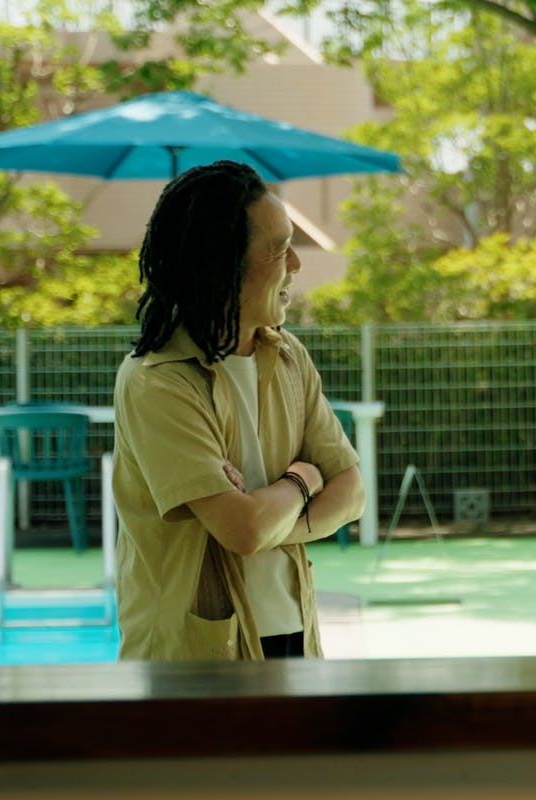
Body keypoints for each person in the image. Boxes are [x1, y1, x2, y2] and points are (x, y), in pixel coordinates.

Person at [112, 160, 365, 661]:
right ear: (221, 263)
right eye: (278, 248)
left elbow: (351, 491)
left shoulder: (288, 356)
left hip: (293, 632)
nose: (295, 263)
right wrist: (302, 482)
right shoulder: (158, 380)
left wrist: (267, 517)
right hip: (193, 654)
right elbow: (242, 529)